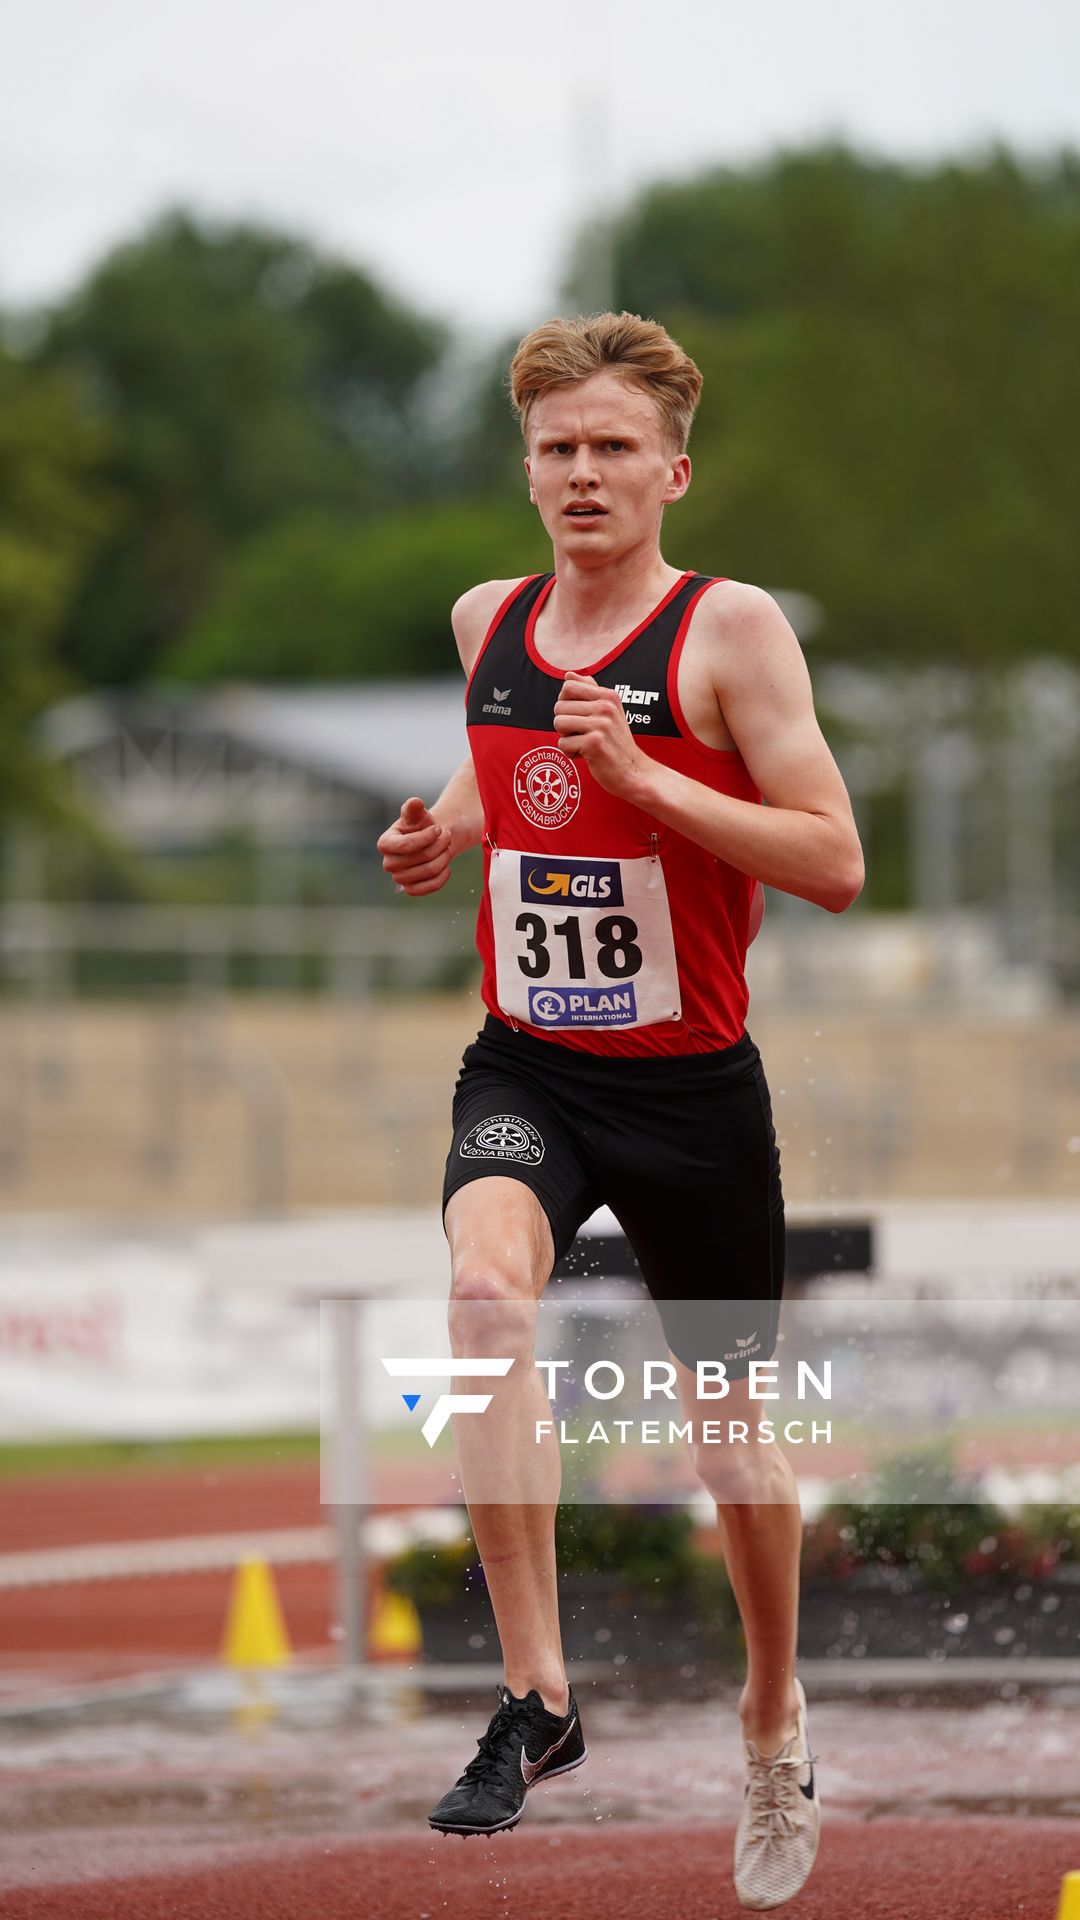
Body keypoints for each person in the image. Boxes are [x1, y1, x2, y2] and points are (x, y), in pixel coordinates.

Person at [377, 311, 863, 1909]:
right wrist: (442, 833)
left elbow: (835, 863)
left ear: (672, 471)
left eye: (610, 449)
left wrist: (655, 783)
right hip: (530, 1061)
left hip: (692, 1098)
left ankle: (772, 1714)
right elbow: (508, 772)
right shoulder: (486, 619)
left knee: (735, 1450)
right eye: (554, 448)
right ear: (526, 470)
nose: (581, 474)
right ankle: (540, 1698)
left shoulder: (731, 637)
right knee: (481, 1297)